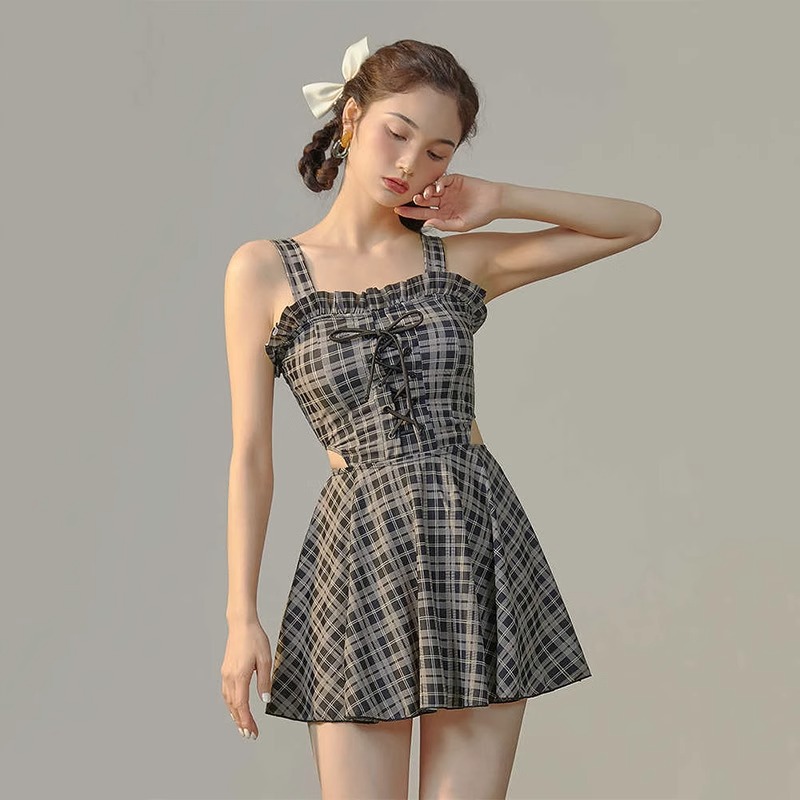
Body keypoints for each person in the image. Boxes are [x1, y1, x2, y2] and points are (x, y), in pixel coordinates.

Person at [221, 35, 660, 799]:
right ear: (351, 118)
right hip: (359, 557)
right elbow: (252, 456)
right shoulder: (263, 270)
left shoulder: (459, 262)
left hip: (475, 543)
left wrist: (501, 199)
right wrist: (241, 618)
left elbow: (637, 222)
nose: (409, 164)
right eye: (397, 133)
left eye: (437, 152)